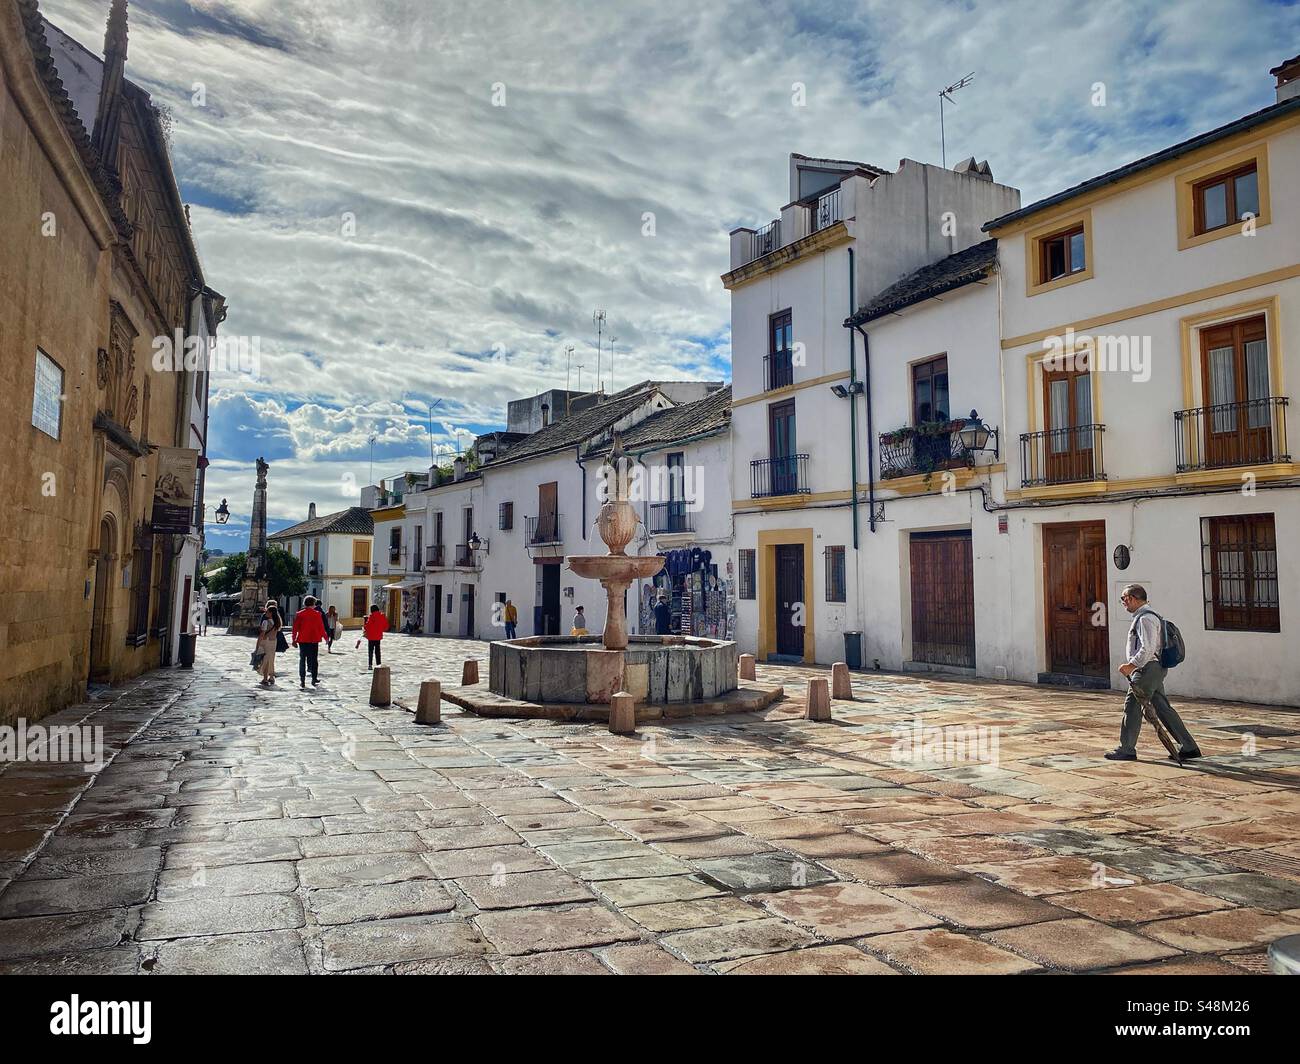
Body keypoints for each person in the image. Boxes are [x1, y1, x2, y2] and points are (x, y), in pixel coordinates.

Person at [1105, 584, 1201, 762]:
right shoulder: (1147, 616)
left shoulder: (1145, 619)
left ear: (1132, 598)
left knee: (1132, 705)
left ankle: (1127, 749)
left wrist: (1131, 665)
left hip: (1147, 669)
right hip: (1153, 669)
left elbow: (1147, 648)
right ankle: (1189, 747)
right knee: (1163, 708)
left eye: (1124, 599)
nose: (1123, 603)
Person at [292, 595, 327, 688]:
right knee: (314, 660)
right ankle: (314, 678)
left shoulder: (299, 614)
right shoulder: (317, 614)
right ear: (313, 604)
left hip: (303, 640)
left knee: (302, 659)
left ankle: (302, 680)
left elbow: (295, 628)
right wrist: (326, 637)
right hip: (314, 639)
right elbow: (321, 628)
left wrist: (294, 639)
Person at [256, 601, 282, 686]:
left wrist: (257, 645)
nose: (265, 613)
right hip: (273, 642)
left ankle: (265, 678)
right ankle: (271, 676)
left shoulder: (265, 622)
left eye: (267, 612)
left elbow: (262, 634)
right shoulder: (277, 622)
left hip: (265, 641)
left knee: (265, 660)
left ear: (270, 613)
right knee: (271, 659)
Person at [363, 604, 388, 669]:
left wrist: (364, 627)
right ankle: (378, 663)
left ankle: (370, 664)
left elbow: (367, 626)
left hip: (371, 636)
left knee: (370, 651)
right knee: (377, 651)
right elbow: (386, 626)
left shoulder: (371, 616)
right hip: (378, 636)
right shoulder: (382, 616)